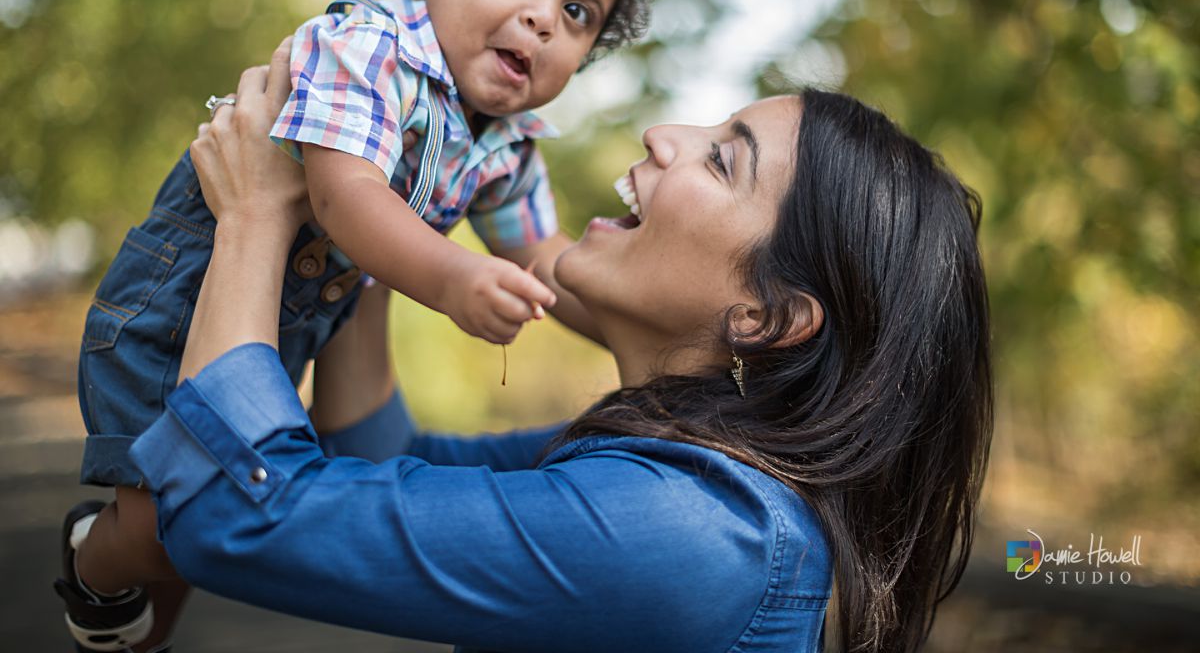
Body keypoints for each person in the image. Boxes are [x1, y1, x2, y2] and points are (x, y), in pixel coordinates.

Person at [121, 45, 993, 652]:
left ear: (766, 315)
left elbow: (241, 516)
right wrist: (382, 221)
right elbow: (377, 463)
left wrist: (253, 218)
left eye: (725, 161)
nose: (665, 135)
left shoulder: (690, 533)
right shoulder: (655, 468)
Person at [56, 0, 655, 650]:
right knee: (175, 521)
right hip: (178, 311)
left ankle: (141, 635)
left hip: (272, 333)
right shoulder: (368, 48)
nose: (545, 17)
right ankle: (91, 560)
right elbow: (347, 199)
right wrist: (454, 276)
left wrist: (634, 333)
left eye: (579, 12)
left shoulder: (506, 143)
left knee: (195, 540)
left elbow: (545, 254)